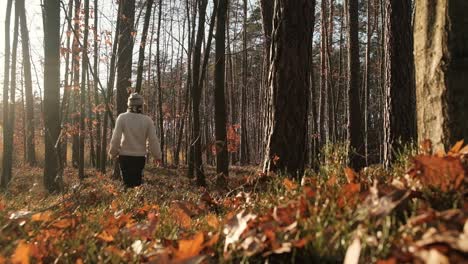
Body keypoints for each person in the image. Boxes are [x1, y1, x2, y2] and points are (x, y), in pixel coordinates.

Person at [109, 93, 162, 187]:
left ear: (129, 104)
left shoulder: (122, 117)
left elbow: (116, 137)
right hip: (139, 158)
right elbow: (153, 140)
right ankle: (135, 200)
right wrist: (157, 156)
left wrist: (113, 152)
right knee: (136, 185)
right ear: (141, 105)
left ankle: (128, 200)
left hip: (124, 157)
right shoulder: (147, 120)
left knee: (126, 184)